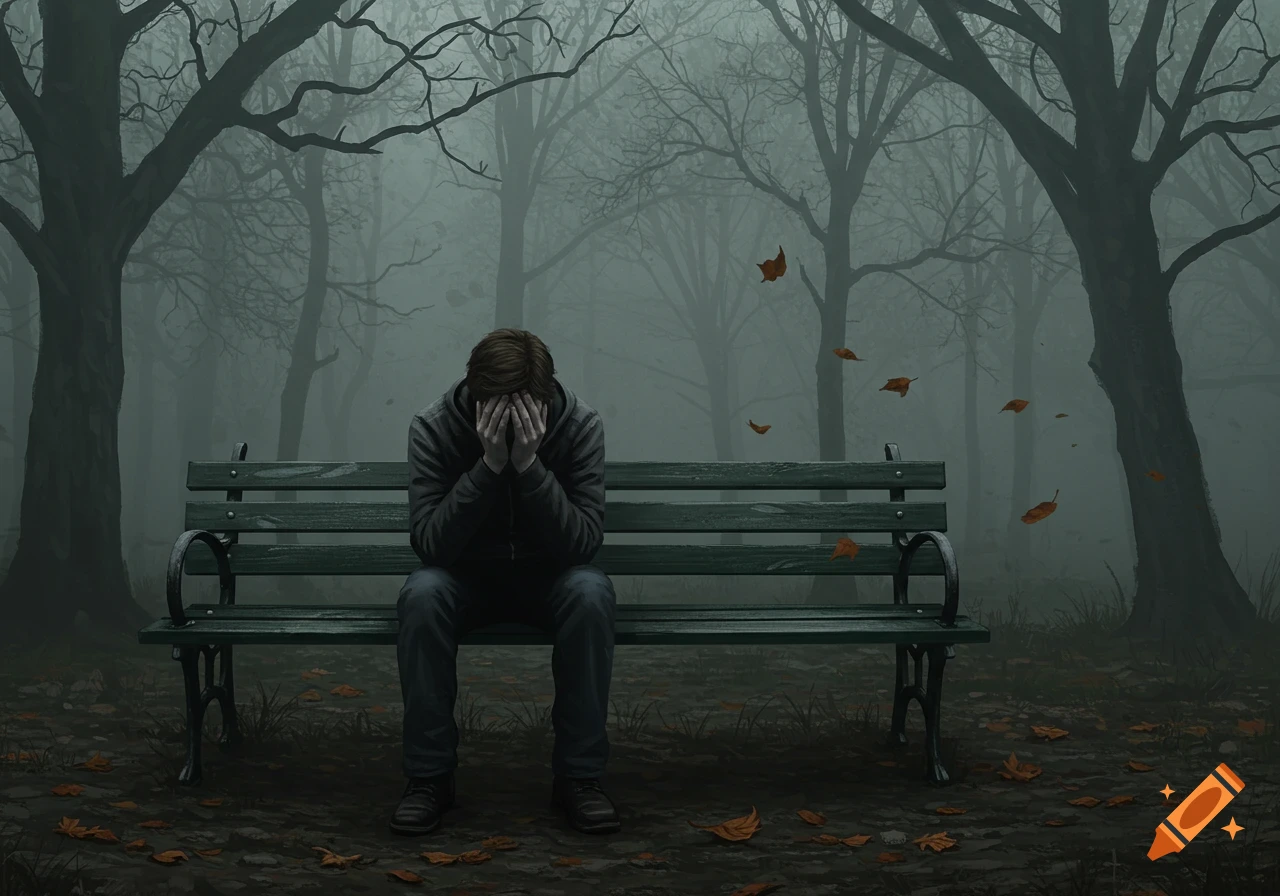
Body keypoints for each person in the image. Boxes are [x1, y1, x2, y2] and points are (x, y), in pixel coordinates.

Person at [390, 328, 620, 837]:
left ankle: (580, 778)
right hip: (464, 581)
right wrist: (490, 465)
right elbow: (431, 545)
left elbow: (582, 545)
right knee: (422, 594)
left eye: (524, 409)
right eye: (493, 409)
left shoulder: (579, 425)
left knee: (590, 591)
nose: (510, 423)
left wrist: (530, 467)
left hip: (551, 581)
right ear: (473, 394)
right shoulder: (434, 427)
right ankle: (429, 778)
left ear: (545, 396)